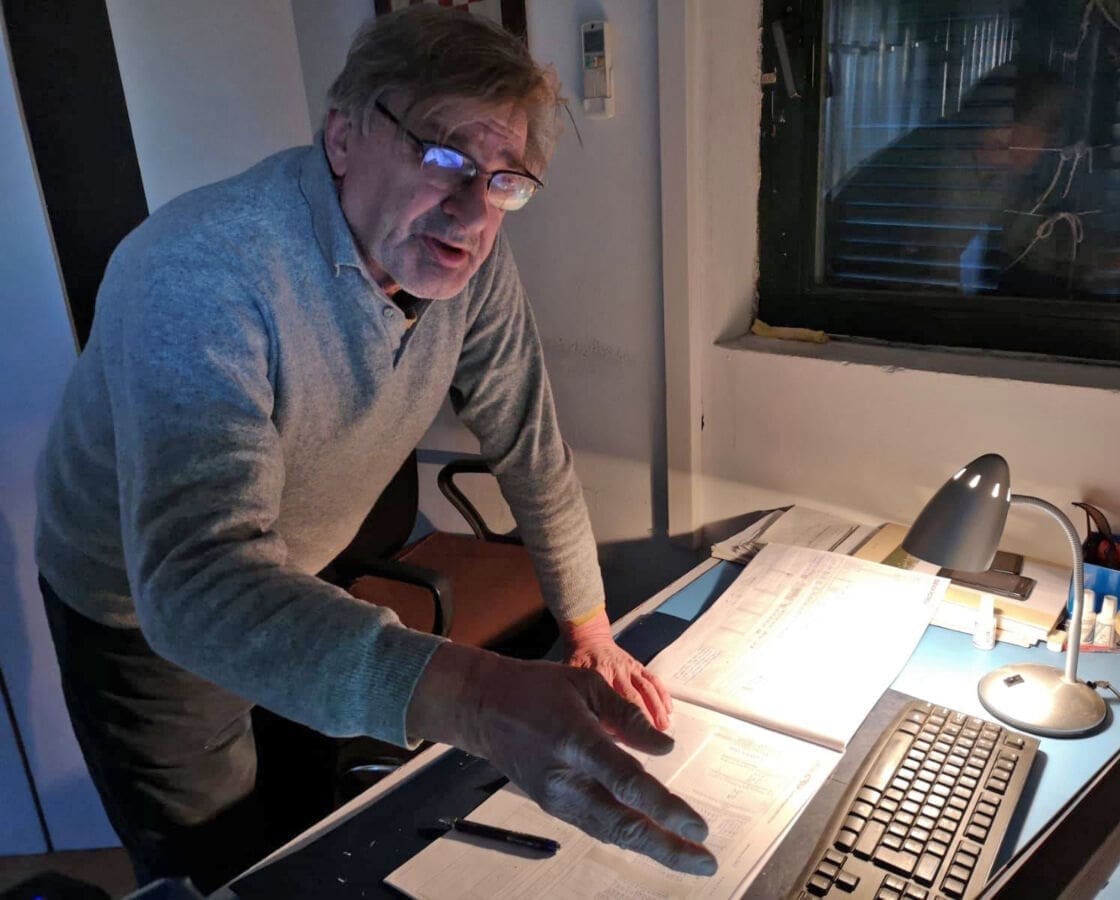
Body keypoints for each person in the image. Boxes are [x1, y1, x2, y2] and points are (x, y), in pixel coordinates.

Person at [34, 6, 715, 892]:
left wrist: (589, 632)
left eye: (505, 180)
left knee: (309, 830)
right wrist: (479, 699)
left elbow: (531, 447)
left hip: (299, 572)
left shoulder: (470, 262)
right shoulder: (199, 271)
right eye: (445, 158)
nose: (474, 212)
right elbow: (195, 585)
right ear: (344, 136)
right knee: (220, 866)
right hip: (143, 614)